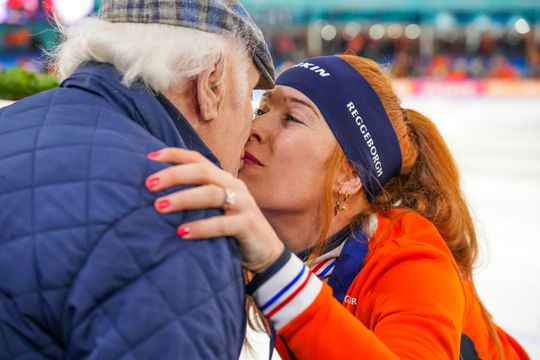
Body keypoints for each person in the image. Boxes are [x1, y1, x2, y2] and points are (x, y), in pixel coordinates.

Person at [145, 54, 530, 359]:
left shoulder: (411, 261)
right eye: (262, 110)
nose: (256, 128)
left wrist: (276, 271)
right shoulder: (297, 249)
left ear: (349, 173)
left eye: (292, 118)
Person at [0, 0, 274, 358]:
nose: (252, 127)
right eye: (250, 99)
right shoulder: (182, 208)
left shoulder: (11, 127)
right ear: (211, 85)